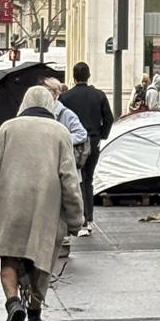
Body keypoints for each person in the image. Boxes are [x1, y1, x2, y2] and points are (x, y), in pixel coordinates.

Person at [0, 84, 85, 321]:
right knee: (40, 260)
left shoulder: (7, 129)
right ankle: (34, 317)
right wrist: (76, 218)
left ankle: (13, 303)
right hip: (45, 209)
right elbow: (69, 179)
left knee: (9, 258)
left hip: (7, 207)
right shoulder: (60, 133)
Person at [59, 62, 113, 235]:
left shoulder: (65, 97)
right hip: (93, 140)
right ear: (89, 76)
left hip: (72, 143)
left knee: (72, 179)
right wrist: (100, 136)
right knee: (88, 179)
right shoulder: (99, 95)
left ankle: (74, 217)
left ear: (74, 77)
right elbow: (109, 119)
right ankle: (88, 218)